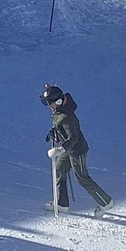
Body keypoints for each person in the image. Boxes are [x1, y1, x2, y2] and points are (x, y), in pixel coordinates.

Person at [40, 84, 114, 216]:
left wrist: (60, 149)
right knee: (59, 169)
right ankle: (61, 203)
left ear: (58, 102)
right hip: (67, 150)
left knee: (82, 178)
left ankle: (105, 202)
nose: (48, 106)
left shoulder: (66, 117)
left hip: (76, 151)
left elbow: (73, 137)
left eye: (49, 103)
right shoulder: (59, 111)